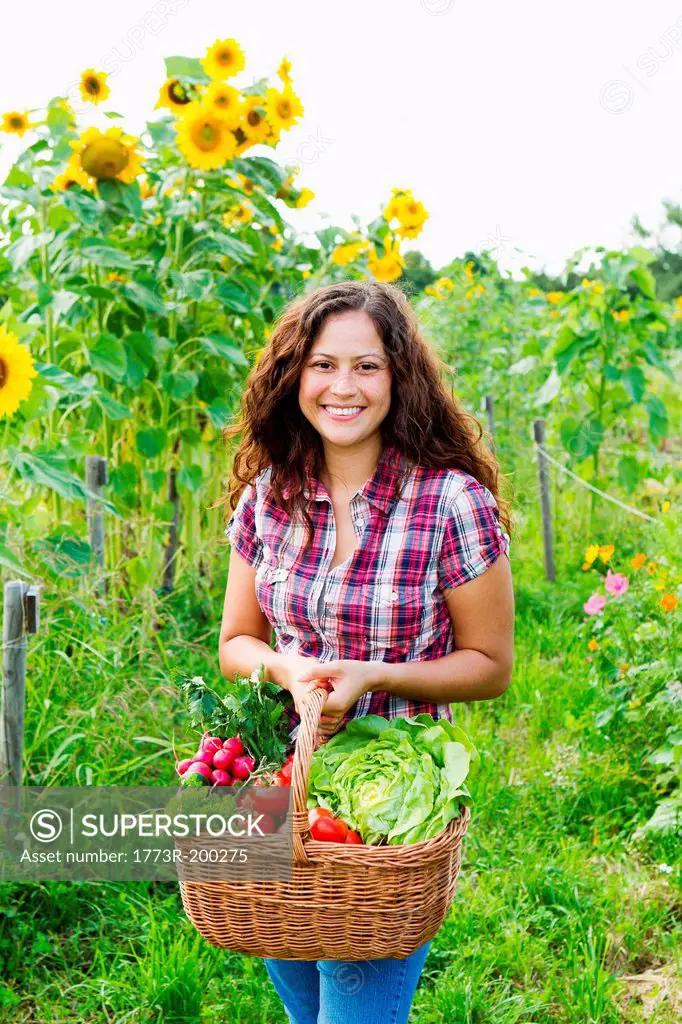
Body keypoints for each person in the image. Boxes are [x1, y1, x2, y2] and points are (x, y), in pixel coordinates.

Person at [216, 279, 514, 1024]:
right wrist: (286, 670)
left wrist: (373, 675)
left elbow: (490, 665)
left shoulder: (450, 503)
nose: (342, 387)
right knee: (303, 998)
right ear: (294, 378)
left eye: (367, 366)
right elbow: (236, 643)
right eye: (322, 365)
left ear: (398, 378)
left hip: (389, 812)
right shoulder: (269, 496)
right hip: (283, 780)